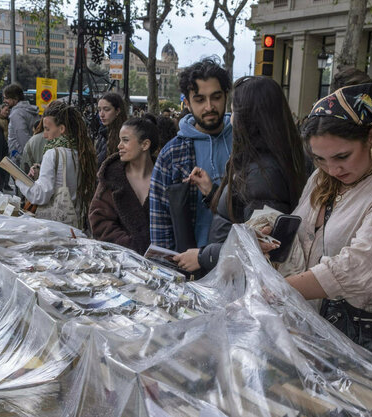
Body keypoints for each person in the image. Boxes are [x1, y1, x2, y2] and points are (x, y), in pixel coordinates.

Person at [285, 83, 372, 365]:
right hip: (310, 320)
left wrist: (282, 289)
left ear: (371, 136)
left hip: (360, 333)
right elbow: (301, 231)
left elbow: (361, 268)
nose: (333, 169)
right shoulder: (321, 178)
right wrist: (272, 235)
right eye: (319, 159)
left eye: (342, 156)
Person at [176, 76, 307, 273]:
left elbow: (262, 245)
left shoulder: (263, 172)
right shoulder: (266, 163)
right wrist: (213, 193)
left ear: (248, 117)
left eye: (234, 110)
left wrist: (204, 257)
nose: (231, 117)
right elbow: (244, 212)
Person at [149, 57, 233, 251]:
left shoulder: (243, 143)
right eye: (200, 99)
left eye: (216, 97)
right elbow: (160, 223)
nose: (209, 106)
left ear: (226, 96)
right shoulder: (172, 154)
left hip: (240, 262)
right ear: (187, 103)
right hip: (189, 267)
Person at [16, 104, 97, 229]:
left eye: (47, 129)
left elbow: (41, 196)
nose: (44, 135)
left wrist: (20, 180)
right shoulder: (81, 153)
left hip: (54, 226)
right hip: (76, 223)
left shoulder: (52, 154)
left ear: (62, 129)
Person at [89, 115, 159, 254]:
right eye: (120, 140)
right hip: (121, 261)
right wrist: (129, 245)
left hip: (161, 265)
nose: (119, 145)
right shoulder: (110, 178)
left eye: (125, 140)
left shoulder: (165, 178)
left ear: (145, 144)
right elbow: (99, 220)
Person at [3, 84, 39, 161]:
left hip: (20, 158)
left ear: (15, 98)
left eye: (6, 98)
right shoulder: (29, 110)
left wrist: (23, 157)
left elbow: (23, 138)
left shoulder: (17, 113)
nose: (4, 101)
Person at [94, 92, 128, 166]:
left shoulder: (126, 134)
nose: (101, 114)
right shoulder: (103, 132)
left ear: (118, 111)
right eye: (99, 110)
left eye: (106, 109)